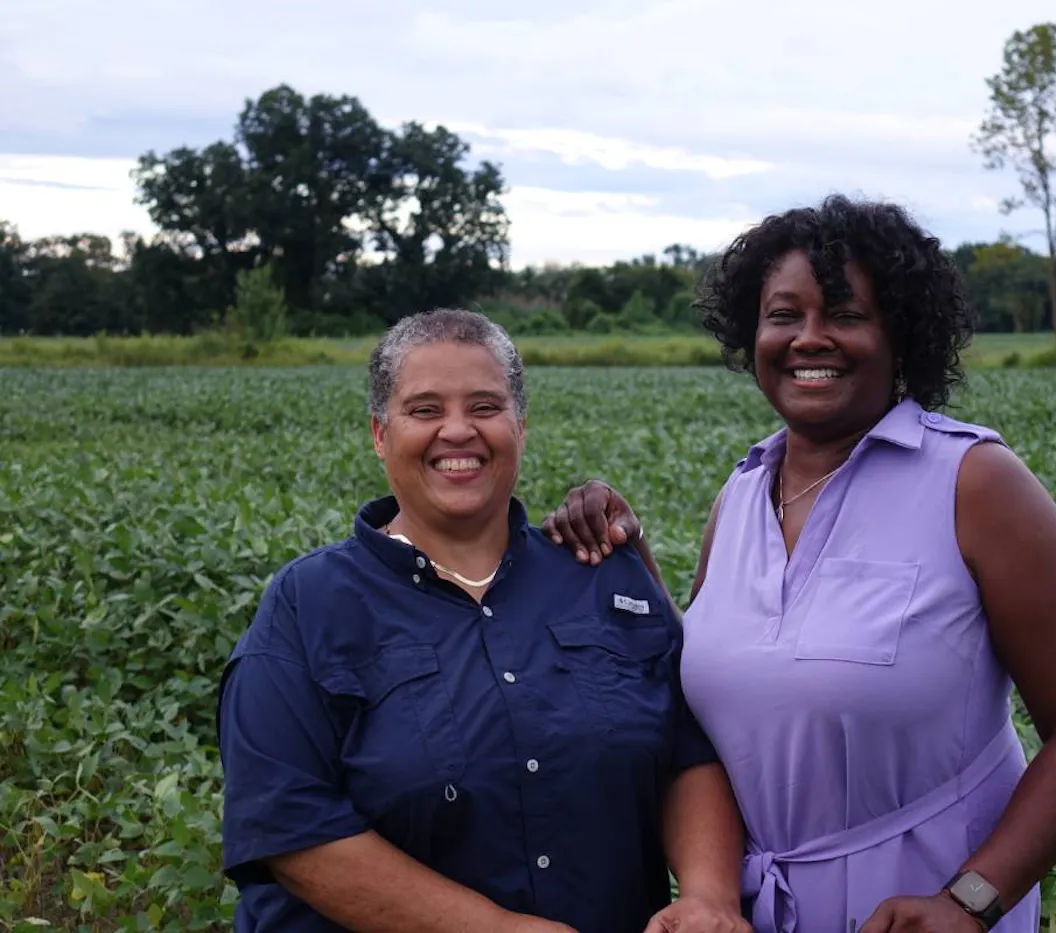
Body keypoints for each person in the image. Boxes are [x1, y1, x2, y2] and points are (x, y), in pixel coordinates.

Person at [542, 195, 1056, 933]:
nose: (809, 339)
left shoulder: (974, 481)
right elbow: (720, 693)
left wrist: (971, 901)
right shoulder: (742, 493)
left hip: (924, 914)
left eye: (846, 315)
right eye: (783, 315)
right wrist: (626, 559)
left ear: (900, 335)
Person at [217, 308, 751, 933]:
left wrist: (709, 897)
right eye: (423, 410)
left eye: (485, 406)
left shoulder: (603, 575)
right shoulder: (307, 605)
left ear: (520, 426)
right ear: (380, 434)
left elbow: (687, 753)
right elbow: (289, 826)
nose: (457, 431)